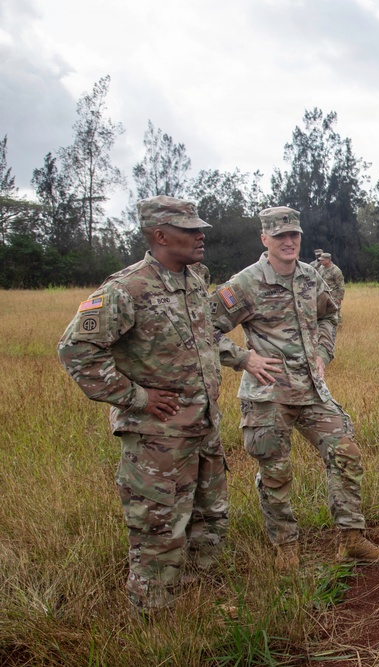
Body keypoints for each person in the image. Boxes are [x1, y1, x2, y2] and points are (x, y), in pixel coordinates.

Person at [57, 195, 230, 613]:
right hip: (158, 441)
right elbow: (76, 350)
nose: (200, 235)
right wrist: (137, 398)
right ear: (160, 235)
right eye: (190, 229)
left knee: (208, 520)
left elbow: (202, 338)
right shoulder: (124, 289)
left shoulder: (195, 278)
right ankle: (154, 619)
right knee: (159, 528)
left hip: (203, 427)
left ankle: (198, 604)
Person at [211, 206, 379, 570]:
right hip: (268, 396)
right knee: (276, 473)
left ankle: (351, 539)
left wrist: (324, 351)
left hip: (312, 391)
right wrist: (243, 358)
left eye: (294, 235)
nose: (289, 242)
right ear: (265, 239)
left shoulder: (311, 277)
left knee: (346, 453)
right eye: (280, 236)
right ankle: (286, 549)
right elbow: (202, 327)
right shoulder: (245, 283)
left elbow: (329, 313)